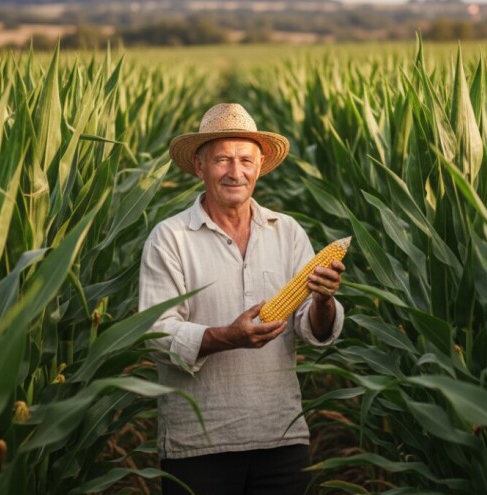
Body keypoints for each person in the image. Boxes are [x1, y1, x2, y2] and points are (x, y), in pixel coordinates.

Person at [139, 103, 346, 495]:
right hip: (198, 444)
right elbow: (156, 333)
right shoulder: (170, 239)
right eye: (222, 160)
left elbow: (311, 329)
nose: (236, 172)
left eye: (245, 160)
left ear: (260, 164)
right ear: (199, 166)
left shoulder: (287, 232)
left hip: (282, 437)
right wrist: (229, 336)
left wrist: (322, 300)